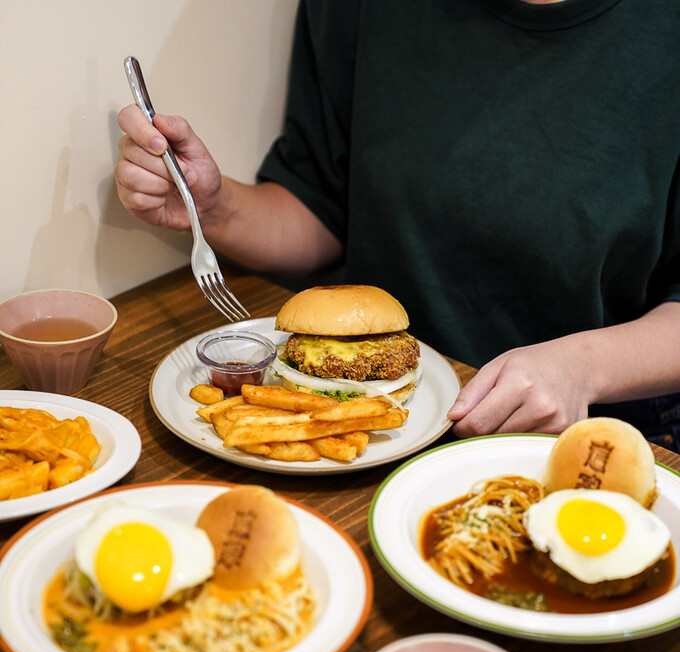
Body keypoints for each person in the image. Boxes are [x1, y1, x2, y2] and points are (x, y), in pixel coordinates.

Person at [115, 0, 680, 450]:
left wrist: (581, 368)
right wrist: (212, 208)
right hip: (386, 437)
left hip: (593, 435)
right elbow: (322, 210)